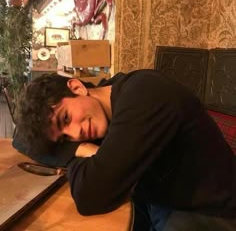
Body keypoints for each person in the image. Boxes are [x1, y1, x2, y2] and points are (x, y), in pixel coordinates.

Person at [16, 70, 236, 231]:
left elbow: (90, 196)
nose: (76, 133)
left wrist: (77, 153)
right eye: (65, 138)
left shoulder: (143, 95)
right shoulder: (103, 104)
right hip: (158, 201)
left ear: (77, 87)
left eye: (66, 118)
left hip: (210, 212)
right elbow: (21, 142)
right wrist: (80, 149)